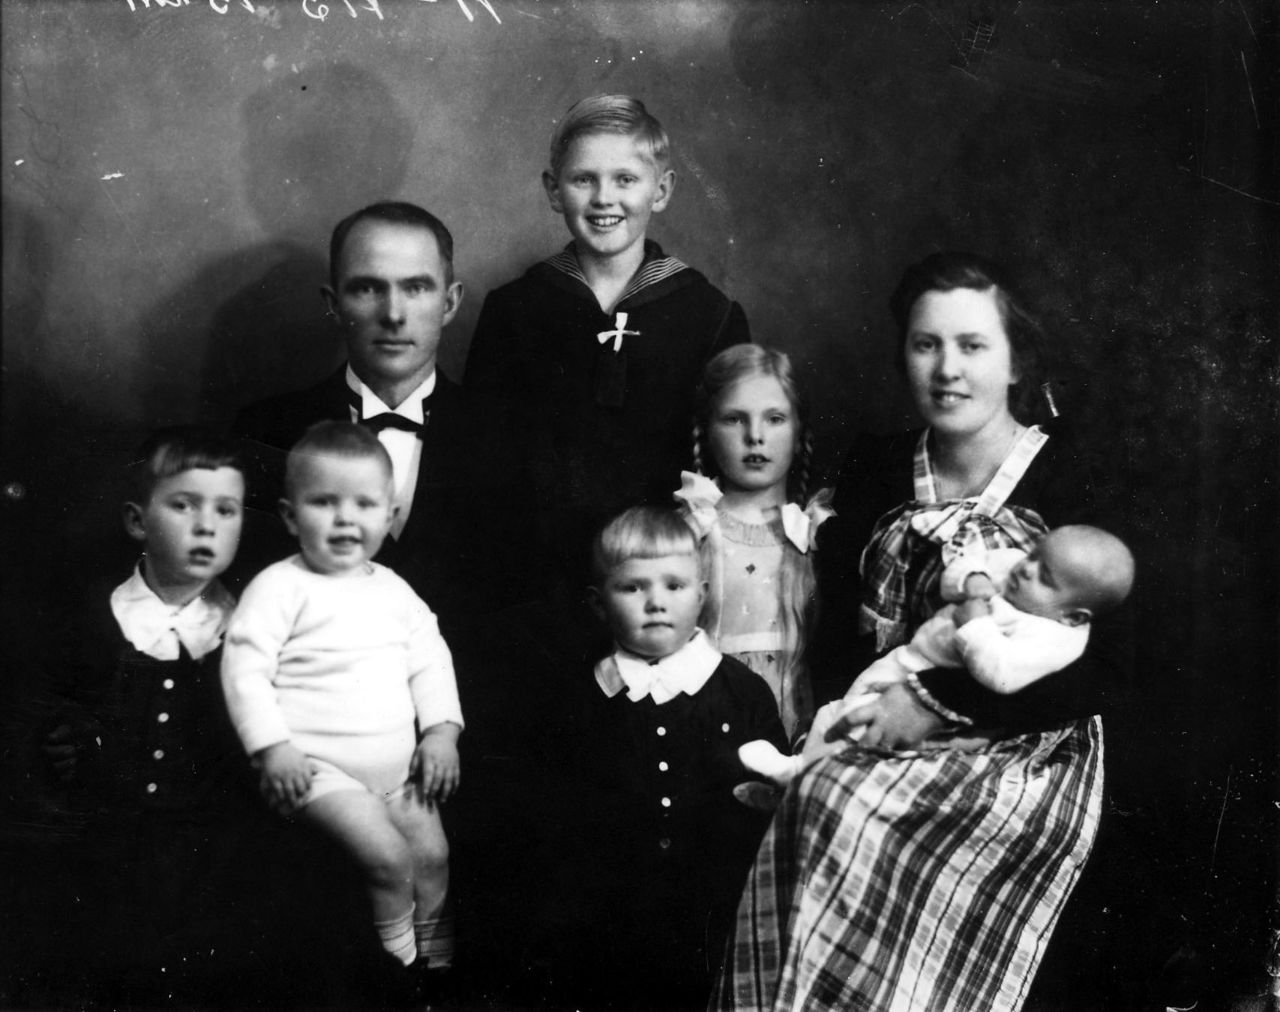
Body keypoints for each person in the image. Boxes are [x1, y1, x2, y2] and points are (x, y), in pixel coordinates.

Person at [714, 251, 1132, 1012]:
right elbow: (840, 630)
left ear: (1015, 361)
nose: (947, 369)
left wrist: (933, 708)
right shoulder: (878, 463)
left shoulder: (1073, 472)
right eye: (926, 344)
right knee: (822, 805)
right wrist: (849, 720)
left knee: (847, 812)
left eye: (973, 346)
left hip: (1019, 736)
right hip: (885, 709)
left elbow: (1106, 664)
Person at [464, 94, 751, 690]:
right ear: (553, 190)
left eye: (625, 179)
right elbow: (484, 468)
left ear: (662, 190)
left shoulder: (709, 315)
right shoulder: (514, 310)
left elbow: (726, 469)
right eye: (583, 180)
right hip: (534, 585)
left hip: (658, 595)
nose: (603, 198)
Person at [220, 422, 463, 996]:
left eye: (364, 504)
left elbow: (432, 661)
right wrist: (272, 747)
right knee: (388, 857)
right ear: (289, 516)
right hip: (316, 769)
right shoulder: (279, 588)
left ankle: (438, 973)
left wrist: (441, 733)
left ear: (390, 514)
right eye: (324, 503)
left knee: (432, 854)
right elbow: (244, 668)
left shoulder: (395, 590)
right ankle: (397, 977)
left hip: (398, 772)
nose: (345, 519)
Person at [38, 427, 252, 1006]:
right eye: (183, 505)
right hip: (104, 863)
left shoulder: (250, 629)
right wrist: (63, 741)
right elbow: (49, 715)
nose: (206, 526)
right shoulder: (93, 618)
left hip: (215, 867)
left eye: (226, 510)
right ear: (138, 521)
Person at [542, 507, 788, 1011]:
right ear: (598, 603)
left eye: (674, 586)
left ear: (701, 594)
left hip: (716, 909)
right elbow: (563, 815)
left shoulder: (742, 692)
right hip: (615, 914)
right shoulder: (583, 698)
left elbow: (774, 800)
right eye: (632, 588)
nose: (656, 602)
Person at [231, 200, 484, 639]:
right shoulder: (264, 430)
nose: (393, 314)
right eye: (367, 288)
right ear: (333, 304)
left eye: (416, 287)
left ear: (449, 302)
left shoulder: (515, 436)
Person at [674, 344, 834, 742]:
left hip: (793, 726)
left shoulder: (814, 532)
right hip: (708, 722)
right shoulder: (692, 530)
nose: (755, 437)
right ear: (706, 431)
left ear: (798, 433)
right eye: (734, 419)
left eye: (775, 419)